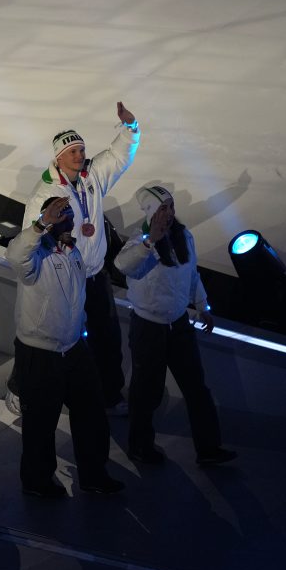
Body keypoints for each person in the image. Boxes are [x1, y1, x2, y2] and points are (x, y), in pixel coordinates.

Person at [13, 101, 141, 417]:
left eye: (82, 149)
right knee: (50, 338)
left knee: (107, 337)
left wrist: (131, 129)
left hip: (95, 274)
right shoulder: (43, 193)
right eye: (73, 151)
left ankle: (110, 394)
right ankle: (19, 387)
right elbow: (30, 238)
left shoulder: (91, 177)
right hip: (61, 277)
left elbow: (118, 158)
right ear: (58, 157)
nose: (80, 154)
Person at [7, 196, 124, 497]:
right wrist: (40, 224)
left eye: (68, 212)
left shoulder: (74, 253)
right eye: (60, 214)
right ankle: (37, 482)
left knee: (91, 413)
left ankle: (94, 474)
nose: (67, 217)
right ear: (48, 219)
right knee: (40, 423)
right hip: (40, 350)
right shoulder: (35, 256)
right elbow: (15, 254)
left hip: (73, 346)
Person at [114, 186, 237, 466]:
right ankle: (140, 446)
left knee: (197, 388)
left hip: (179, 325)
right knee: (146, 392)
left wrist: (202, 305)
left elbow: (192, 273)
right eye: (162, 208)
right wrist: (150, 242)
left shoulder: (184, 236)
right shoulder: (139, 241)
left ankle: (208, 449)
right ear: (149, 212)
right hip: (149, 328)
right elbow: (122, 266)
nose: (169, 213)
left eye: (171, 206)